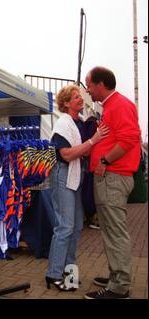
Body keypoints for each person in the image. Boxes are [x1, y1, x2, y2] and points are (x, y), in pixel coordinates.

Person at [84, 66, 141, 299]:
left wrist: (105, 160)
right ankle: (117, 276)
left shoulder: (119, 105)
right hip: (112, 177)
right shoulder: (111, 106)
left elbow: (130, 137)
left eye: (89, 85)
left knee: (115, 232)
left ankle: (119, 287)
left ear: (101, 84)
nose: (88, 90)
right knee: (110, 231)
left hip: (113, 177)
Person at [45, 84, 109, 291]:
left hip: (76, 176)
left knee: (76, 226)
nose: (81, 100)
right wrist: (93, 140)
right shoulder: (63, 124)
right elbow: (67, 154)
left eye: (80, 96)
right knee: (65, 226)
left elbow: (84, 152)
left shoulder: (79, 122)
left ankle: (69, 272)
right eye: (75, 98)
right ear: (65, 103)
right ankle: (53, 274)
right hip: (63, 174)